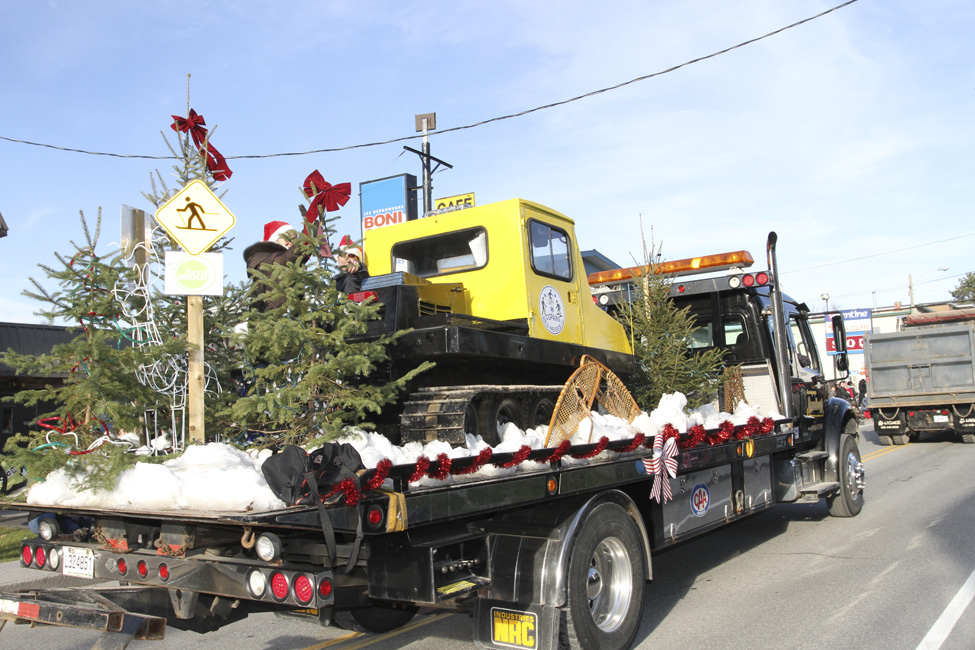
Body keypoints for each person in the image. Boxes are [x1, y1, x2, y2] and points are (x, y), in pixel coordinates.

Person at [243, 221, 306, 313]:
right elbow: (289, 256)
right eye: (286, 238)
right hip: (270, 316)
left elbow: (297, 256)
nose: (290, 242)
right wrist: (306, 235)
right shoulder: (265, 258)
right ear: (275, 238)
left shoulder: (282, 260)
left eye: (294, 239)